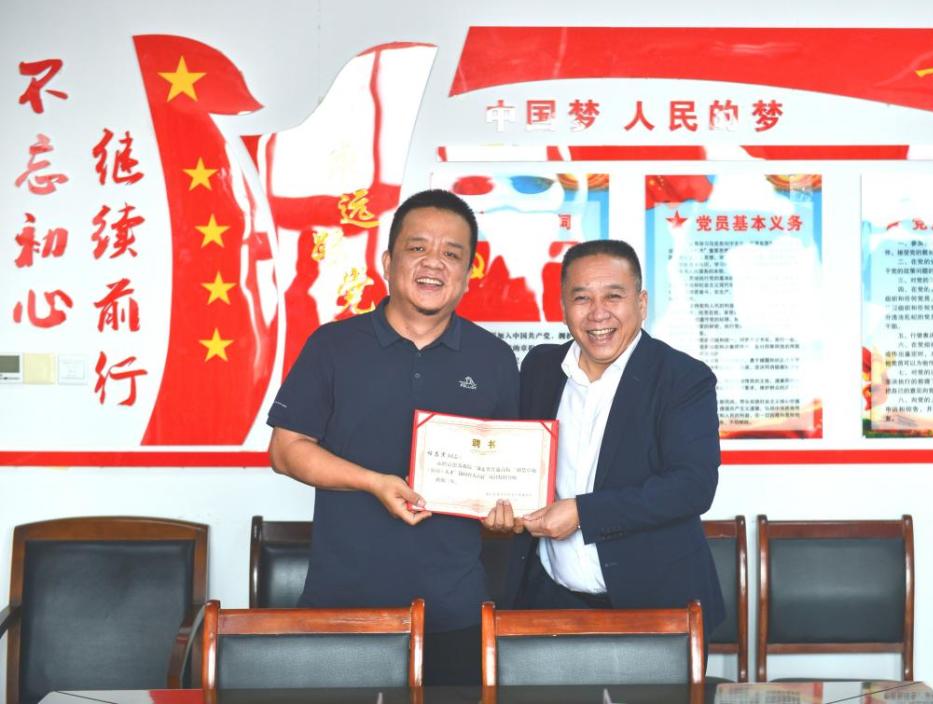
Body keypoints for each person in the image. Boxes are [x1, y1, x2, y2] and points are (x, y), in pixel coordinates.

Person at [267, 189, 519, 685]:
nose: (434, 263)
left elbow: (507, 470)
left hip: (457, 613)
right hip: (343, 607)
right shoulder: (333, 345)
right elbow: (285, 450)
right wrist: (374, 482)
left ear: (468, 273)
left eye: (452, 253)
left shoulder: (493, 358)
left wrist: (506, 510)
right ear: (387, 262)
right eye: (417, 247)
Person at [506, 239, 725, 665]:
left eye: (613, 296)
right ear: (563, 307)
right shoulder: (540, 368)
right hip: (551, 602)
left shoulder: (682, 378)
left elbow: (692, 486)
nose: (598, 313)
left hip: (656, 607)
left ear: (641, 304)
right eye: (581, 298)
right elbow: (519, 459)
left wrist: (582, 513)